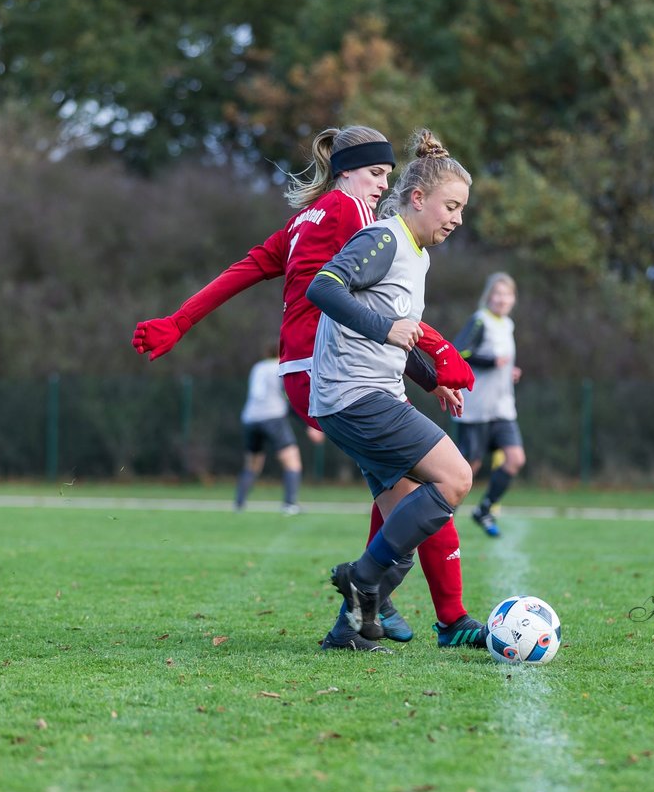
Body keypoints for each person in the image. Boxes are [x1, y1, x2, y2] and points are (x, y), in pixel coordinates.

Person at [132, 125, 484, 652]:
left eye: (387, 175)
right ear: (346, 172)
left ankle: (364, 614)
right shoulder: (363, 218)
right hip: (342, 375)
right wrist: (436, 365)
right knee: (433, 486)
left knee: (407, 494)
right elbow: (377, 305)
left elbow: (241, 271)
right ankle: (393, 594)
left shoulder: (300, 221)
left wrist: (179, 321)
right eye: (375, 173)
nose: (381, 186)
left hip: (302, 378)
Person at [307, 129, 476, 646]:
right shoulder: (384, 238)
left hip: (362, 394)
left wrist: (430, 380)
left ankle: (351, 629)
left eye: (463, 209)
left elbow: (391, 334)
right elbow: (323, 286)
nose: (457, 218)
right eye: (451, 205)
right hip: (355, 396)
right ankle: (361, 579)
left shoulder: (416, 254)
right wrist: (386, 329)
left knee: (404, 521)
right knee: (455, 479)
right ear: (418, 198)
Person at [454, 272, 525, 538]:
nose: (501, 299)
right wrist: (490, 362)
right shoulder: (480, 320)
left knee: (515, 459)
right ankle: (441, 516)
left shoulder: (507, 324)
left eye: (507, 294)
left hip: (503, 408)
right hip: (476, 410)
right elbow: (460, 351)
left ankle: (484, 509)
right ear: (489, 296)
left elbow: (501, 361)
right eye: (497, 293)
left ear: (513, 299)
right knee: (467, 469)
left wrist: (509, 371)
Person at [236, 345, 305, 514]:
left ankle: (239, 504)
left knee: (252, 464)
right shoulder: (280, 367)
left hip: (250, 418)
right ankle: (289, 505)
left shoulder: (257, 368)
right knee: (292, 461)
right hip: (272, 417)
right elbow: (290, 397)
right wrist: (308, 425)